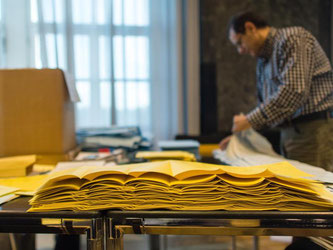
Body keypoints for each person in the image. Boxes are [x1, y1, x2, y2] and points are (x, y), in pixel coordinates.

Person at [220, 11, 333, 173]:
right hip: (288, 134)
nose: (240, 51)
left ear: (250, 27)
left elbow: (294, 92)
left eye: (239, 43)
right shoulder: (263, 60)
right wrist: (241, 138)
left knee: (312, 191)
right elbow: (267, 108)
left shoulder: (292, 39)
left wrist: (248, 121)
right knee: (293, 192)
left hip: (312, 132)